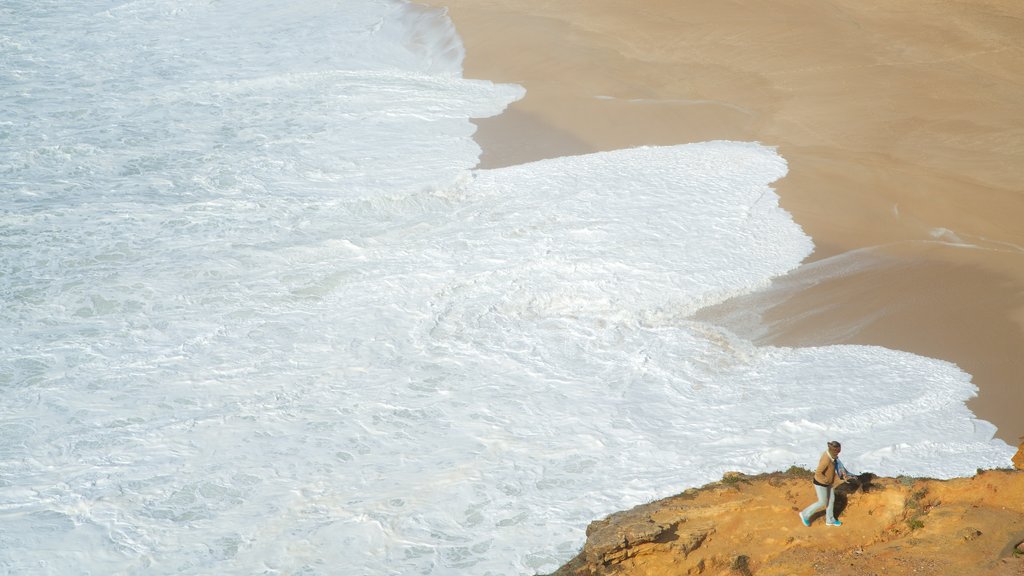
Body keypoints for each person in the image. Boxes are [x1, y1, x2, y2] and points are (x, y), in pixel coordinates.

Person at [799, 440, 850, 527]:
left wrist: (841, 477)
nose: (838, 453)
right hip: (820, 483)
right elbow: (818, 473)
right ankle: (804, 514)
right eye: (837, 451)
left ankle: (830, 520)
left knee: (831, 501)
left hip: (828, 483)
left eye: (839, 451)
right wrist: (826, 480)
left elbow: (833, 469)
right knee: (822, 502)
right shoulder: (826, 459)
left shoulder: (832, 456)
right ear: (833, 450)